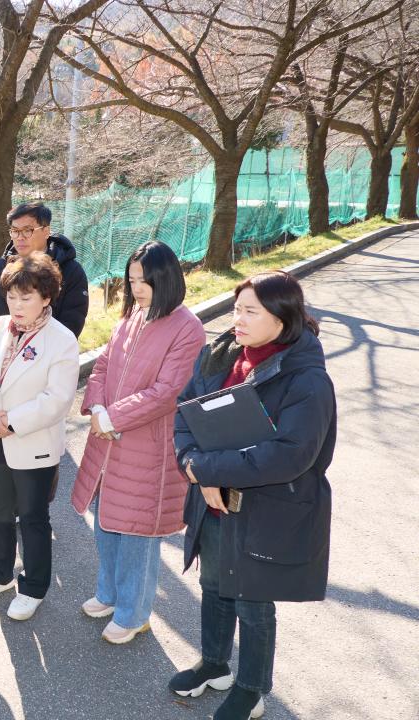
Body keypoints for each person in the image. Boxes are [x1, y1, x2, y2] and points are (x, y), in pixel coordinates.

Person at [168, 271, 335, 720]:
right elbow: (185, 414)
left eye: (249, 311)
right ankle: (215, 664)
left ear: (281, 319)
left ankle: (251, 688)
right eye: (236, 308)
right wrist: (197, 470)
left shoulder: (307, 379)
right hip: (214, 499)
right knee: (214, 586)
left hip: (266, 509)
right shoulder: (221, 354)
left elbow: (290, 455)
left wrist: (206, 469)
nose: (236, 319)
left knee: (252, 600)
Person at [70, 241, 205, 645]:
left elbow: (168, 392)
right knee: (107, 522)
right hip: (107, 438)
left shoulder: (187, 327)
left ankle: (134, 613)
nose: (138, 288)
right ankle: (110, 595)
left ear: (168, 280)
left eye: (146, 281)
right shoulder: (131, 316)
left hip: (148, 446)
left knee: (138, 535)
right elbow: (104, 365)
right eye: (132, 281)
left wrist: (112, 416)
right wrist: (95, 406)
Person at [0, 251, 80, 620]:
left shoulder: (61, 340)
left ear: (47, 297)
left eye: (26, 297)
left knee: (32, 516)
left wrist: (9, 421)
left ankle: (33, 586)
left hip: (32, 441)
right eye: (12, 296)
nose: (16, 304)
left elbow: (57, 400)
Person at [0, 201, 90, 337]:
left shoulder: (70, 271)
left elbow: (72, 323)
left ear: (46, 231)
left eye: (27, 230)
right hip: (4, 350)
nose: (20, 237)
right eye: (15, 231)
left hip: (51, 353)